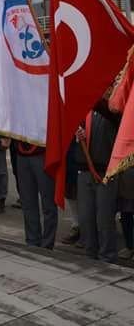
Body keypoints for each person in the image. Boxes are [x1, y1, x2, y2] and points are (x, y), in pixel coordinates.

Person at [73, 103, 120, 263]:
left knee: (104, 219)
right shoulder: (82, 110)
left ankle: (107, 257)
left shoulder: (112, 110)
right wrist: (77, 134)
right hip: (84, 170)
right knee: (86, 218)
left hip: (106, 172)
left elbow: (112, 114)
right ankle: (90, 256)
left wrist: (92, 95)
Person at [15, 140, 56, 249]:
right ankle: (32, 241)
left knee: (48, 203)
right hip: (21, 153)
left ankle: (47, 243)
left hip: (42, 152)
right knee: (28, 203)